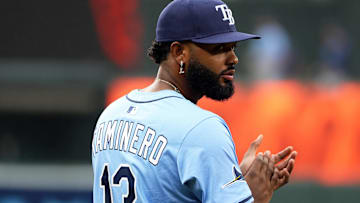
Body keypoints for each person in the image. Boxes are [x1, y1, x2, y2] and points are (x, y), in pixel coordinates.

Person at [92, 0, 297, 202]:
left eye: (232, 47)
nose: (233, 58)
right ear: (179, 52)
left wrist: (228, 181)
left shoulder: (110, 115)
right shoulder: (202, 127)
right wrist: (257, 198)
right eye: (219, 48)